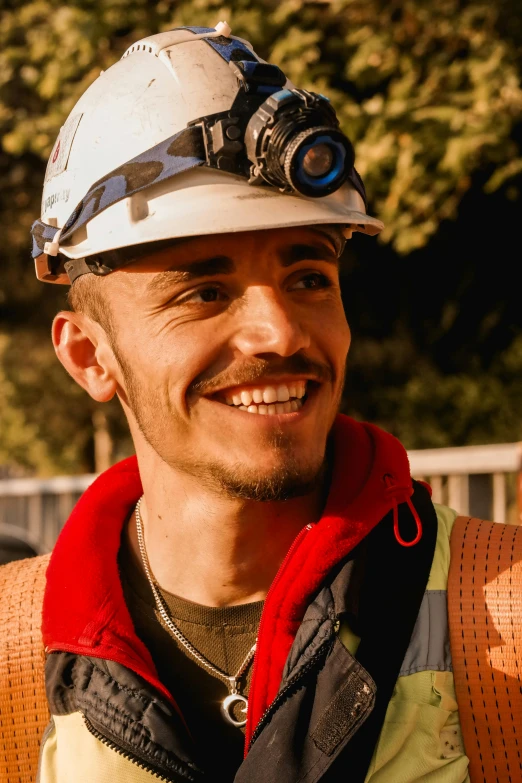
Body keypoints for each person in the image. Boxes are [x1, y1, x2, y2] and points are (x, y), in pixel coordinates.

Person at [29, 22, 470, 782]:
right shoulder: (14, 655)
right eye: (204, 291)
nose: (278, 332)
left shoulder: (497, 611)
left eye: (308, 277)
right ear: (90, 356)